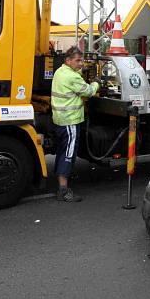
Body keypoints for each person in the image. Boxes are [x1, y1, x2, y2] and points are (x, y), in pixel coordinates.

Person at [51, 46, 99, 202]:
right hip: (70, 121)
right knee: (68, 154)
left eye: (82, 60)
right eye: (78, 60)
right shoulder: (72, 77)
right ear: (68, 60)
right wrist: (97, 83)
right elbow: (89, 91)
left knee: (62, 151)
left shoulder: (60, 72)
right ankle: (63, 191)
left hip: (60, 120)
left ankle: (59, 183)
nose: (81, 64)